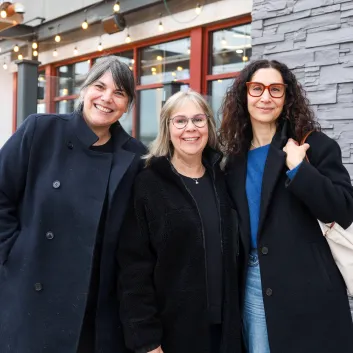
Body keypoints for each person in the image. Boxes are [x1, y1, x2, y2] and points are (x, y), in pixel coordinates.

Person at [0, 55, 146, 353]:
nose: (107, 98)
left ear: (128, 105)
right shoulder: (41, 131)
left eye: (119, 93)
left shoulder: (135, 156)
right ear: (85, 89)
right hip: (32, 291)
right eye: (100, 86)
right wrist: (13, 253)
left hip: (96, 306)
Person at [219, 59, 353, 353]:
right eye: (257, 88)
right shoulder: (233, 160)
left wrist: (299, 170)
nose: (265, 97)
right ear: (244, 95)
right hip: (254, 281)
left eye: (275, 89)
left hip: (310, 281)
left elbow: (342, 209)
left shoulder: (314, 146)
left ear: (286, 97)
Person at [118, 90, 242, 353]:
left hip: (225, 331)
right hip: (172, 333)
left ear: (208, 125)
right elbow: (133, 269)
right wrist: (148, 342)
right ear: (167, 128)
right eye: (180, 121)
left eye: (198, 120)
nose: (191, 129)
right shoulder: (148, 184)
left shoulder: (221, 178)